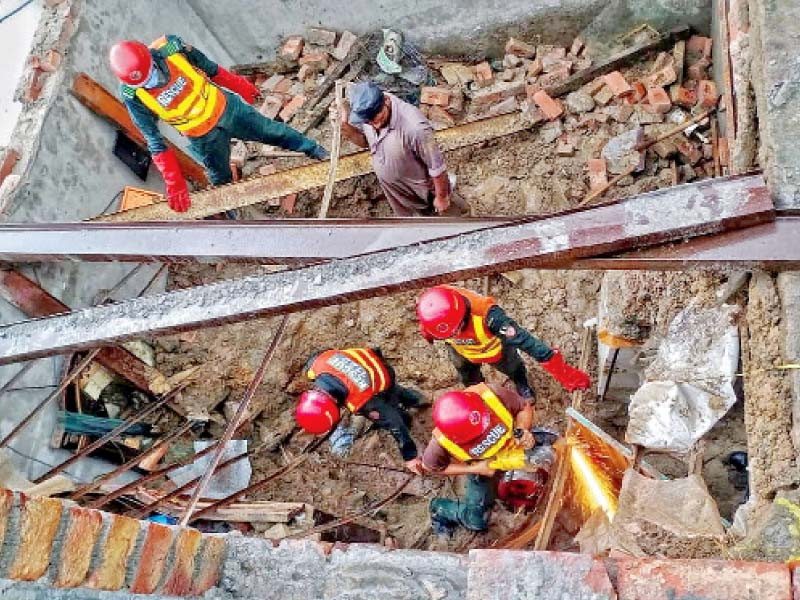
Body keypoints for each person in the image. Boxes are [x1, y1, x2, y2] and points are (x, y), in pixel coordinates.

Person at [109, 35, 328, 212]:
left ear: (151, 57)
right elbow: (154, 141)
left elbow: (211, 68)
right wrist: (174, 183)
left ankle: (315, 150)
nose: (151, 81)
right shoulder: (132, 95)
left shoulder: (171, 48)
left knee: (273, 132)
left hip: (228, 109)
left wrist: (242, 87)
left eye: (150, 74)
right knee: (219, 176)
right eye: (144, 81)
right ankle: (230, 209)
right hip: (202, 137)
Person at [409, 384, 557, 535]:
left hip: (513, 446)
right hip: (483, 468)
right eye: (479, 435)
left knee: (551, 449)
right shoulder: (441, 442)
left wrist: (523, 430)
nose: (486, 433)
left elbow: (523, 407)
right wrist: (474, 469)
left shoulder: (491, 395)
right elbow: (432, 467)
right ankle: (439, 508)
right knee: (477, 520)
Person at [416, 285, 590, 401]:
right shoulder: (433, 310)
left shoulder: (489, 316)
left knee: (513, 367)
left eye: (458, 328)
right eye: (451, 333)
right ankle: (478, 393)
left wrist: (555, 364)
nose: (457, 333)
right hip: (461, 351)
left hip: (495, 351)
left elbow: (523, 340)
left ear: (463, 314)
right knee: (467, 375)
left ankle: (522, 384)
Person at [332, 81, 468, 216]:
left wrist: (442, 198)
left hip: (427, 194)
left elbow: (437, 167)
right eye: (369, 122)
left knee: (454, 222)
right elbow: (366, 142)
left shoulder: (416, 128)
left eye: (378, 119)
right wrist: (344, 127)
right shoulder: (369, 116)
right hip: (400, 196)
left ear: (386, 101)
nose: (376, 125)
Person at [295, 347, 423, 467]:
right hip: (370, 358)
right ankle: (415, 398)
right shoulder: (317, 363)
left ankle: (408, 416)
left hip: (383, 379)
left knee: (394, 413)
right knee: (395, 393)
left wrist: (410, 456)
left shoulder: (360, 401)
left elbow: (394, 422)